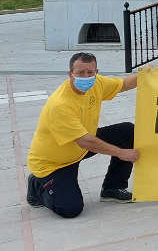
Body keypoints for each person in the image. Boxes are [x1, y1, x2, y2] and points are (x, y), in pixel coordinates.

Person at [26, 53, 139, 218]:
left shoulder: (97, 83)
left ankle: (112, 188)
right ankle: (36, 185)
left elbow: (124, 84)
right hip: (55, 163)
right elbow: (85, 141)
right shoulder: (60, 104)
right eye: (80, 73)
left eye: (90, 72)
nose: (85, 77)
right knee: (70, 209)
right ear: (70, 74)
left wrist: (147, 75)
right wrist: (121, 153)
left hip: (79, 148)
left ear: (96, 72)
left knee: (127, 131)